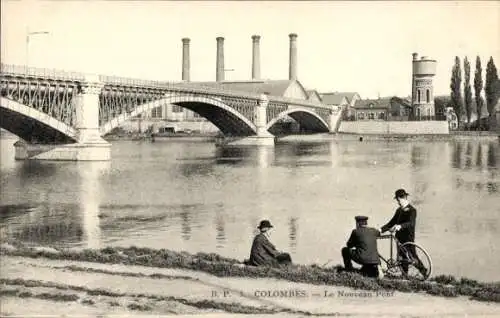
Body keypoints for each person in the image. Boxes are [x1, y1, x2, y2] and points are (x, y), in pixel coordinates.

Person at [380, 188, 427, 276]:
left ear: (404, 198)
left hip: (408, 237)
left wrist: (400, 226)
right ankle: (405, 275)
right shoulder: (399, 210)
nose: (398, 202)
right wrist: (381, 230)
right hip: (399, 237)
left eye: (399, 200)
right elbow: (391, 222)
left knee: (413, 256)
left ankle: (424, 272)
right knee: (402, 256)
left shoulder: (412, 210)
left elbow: (411, 223)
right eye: (397, 200)